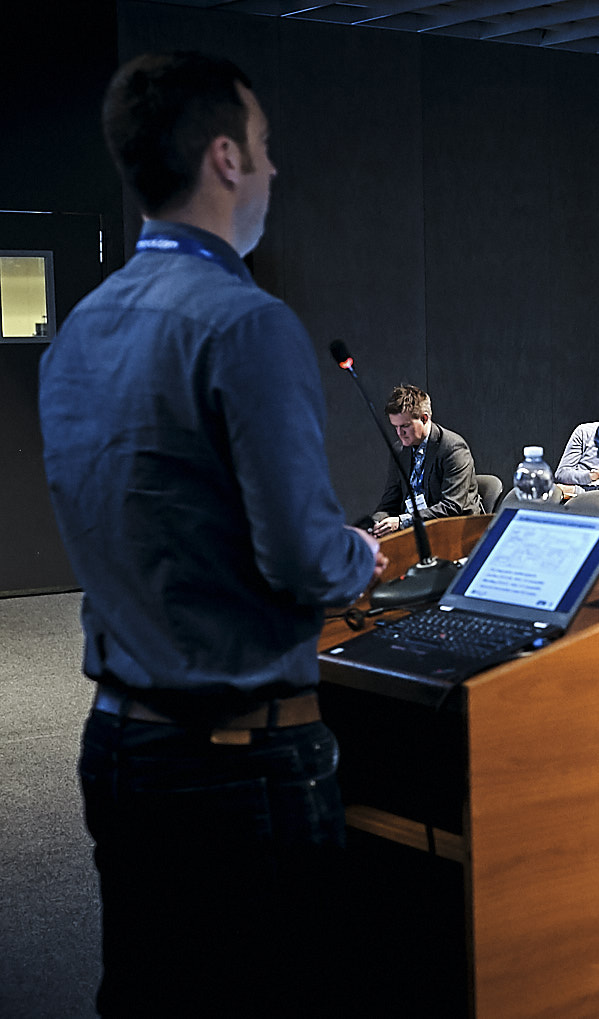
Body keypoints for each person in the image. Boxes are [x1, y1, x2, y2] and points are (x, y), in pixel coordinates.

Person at [38, 51, 386, 1017]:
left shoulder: (81, 329)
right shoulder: (246, 325)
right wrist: (360, 554)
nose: (273, 169)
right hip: (240, 765)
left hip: (120, 745)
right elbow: (304, 559)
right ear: (226, 158)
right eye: (264, 147)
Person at [367, 383, 482, 535]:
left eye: (405, 426)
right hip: (414, 530)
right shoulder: (400, 450)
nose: (399, 433)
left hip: (455, 530)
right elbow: (390, 502)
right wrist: (374, 525)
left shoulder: (453, 448)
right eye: (395, 427)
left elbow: (451, 506)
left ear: (424, 418)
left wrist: (402, 521)